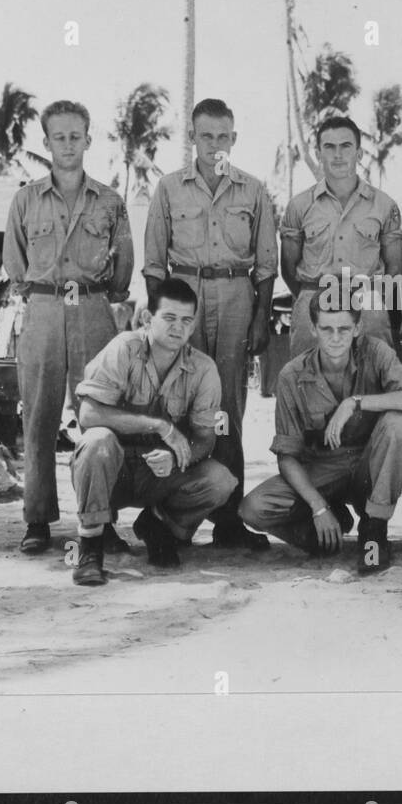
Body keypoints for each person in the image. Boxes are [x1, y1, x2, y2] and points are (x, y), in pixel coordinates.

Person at [144, 98, 278, 552]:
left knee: (228, 411)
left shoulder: (254, 190)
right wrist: (161, 323)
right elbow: (152, 264)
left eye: (223, 136)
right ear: (193, 138)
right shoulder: (168, 189)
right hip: (185, 298)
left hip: (236, 295)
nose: (214, 145)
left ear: (233, 139)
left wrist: (259, 316)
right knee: (179, 405)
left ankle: (228, 521)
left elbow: (265, 266)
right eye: (206, 136)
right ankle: (167, 515)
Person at [2, 100, 134, 556]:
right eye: (59, 137)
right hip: (42, 308)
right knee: (38, 417)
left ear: (88, 140)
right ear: (46, 143)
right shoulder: (25, 199)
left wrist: (98, 300)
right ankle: (37, 520)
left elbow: (123, 271)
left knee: (98, 414)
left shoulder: (111, 202)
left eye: (76, 136)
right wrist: (44, 296)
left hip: (94, 308)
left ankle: (102, 519)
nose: (68, 145)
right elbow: (15, 265)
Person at [68, 278, 239, 585]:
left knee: (220, 480)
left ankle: (159, 525)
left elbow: (205, 438)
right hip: (114, 471)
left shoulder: (203, 369)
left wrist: (175, 457)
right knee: (96, 441)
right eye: (169, 318)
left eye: (186, 321)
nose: (178, 328)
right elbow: (89, 413)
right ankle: (91, 547)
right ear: (148, 318)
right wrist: (159, 426)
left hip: (160, 474)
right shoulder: (124, 348)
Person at [239, 296, 402, 574]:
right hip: (323, 469)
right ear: (313, 329)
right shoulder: (292, 375)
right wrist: (317, 507)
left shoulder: (376, 352)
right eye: (327, 329)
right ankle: (328, 528)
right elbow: (287, 456)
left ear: (358, 328)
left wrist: (355, 402)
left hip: (369, 464)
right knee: (253, 508)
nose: (336, 338)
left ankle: (374, 530)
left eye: (344, 329)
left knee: (399, 424)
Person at [281, 116, 402, 355]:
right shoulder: (299, 205)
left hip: (367, 302)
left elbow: (395, 267)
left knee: (372, 382)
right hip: (313, 302)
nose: (338, 154)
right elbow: (288, 267)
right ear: (318, 153)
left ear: (358, 153)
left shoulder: (384, 205)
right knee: (308, 382)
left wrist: (374, 301)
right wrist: (311, 296)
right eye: (329, 147)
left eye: (345, 146)